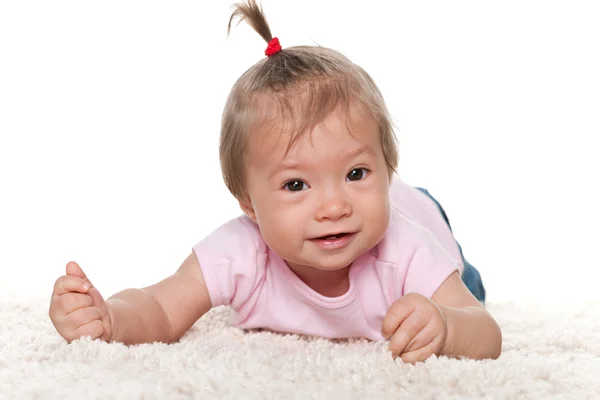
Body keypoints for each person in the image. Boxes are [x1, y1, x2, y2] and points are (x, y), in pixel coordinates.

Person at [49, 0, 501, 364]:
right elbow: (163, 306)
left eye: (356, 174)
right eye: (296, 185)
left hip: (423, 214)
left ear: (388, 167)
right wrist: (109, 317)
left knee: (469, 286)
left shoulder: (406, 251)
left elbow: (486, 332)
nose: (334, 206)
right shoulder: (242, 252)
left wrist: (445, 325)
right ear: (248, 203)